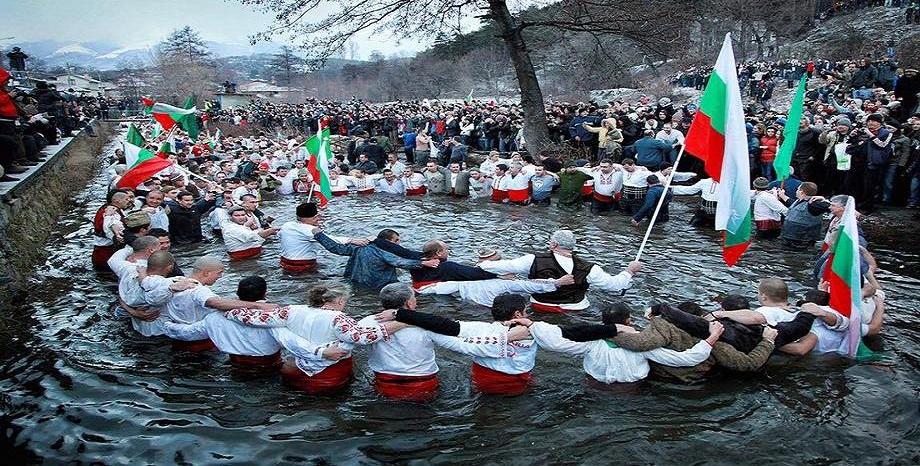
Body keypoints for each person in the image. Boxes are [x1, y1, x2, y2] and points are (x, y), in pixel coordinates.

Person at [355, 283, 524, 401]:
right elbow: (460, 346)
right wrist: (503, 339)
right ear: (409, 303)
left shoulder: (367, 322)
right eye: (414, 297)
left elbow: (348, 342)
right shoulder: (426, 326)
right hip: (422, 388)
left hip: (383, 385)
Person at [226, 285, 406, 394]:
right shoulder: (338, 318)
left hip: (294, 368)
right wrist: (406, 322)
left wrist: (229, 311)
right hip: (328, 374)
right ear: (339, 300)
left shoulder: (290, 310)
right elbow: (363, 337)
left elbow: (253, 318)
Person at [521, 302, 724, 384]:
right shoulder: (643, 344)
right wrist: (712, 336)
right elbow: (685, 359)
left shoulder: (589, 342)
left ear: (602, 323)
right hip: (631, 394)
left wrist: (532, 325)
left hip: (595, 388)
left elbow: (555, 342)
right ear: (628, 321)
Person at [162, 277, 325, 372]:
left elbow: (188, 333)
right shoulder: (275, 318)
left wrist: (166, 324)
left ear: (237, 294)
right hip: (269, 367)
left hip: (236, 367)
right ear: (265, 293)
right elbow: (294, 342)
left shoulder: (215, 318)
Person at [478, 230, 641, 312]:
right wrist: (629, 271)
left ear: (554, 245)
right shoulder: (590, 268)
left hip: (541, 307)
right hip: (576, 309)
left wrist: (484, 264)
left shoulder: (532, 259)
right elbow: (614, 286)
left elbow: (507, 266)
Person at [162, 256, 277, 351]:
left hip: (177, 336)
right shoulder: (199, 290)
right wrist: (257, 305)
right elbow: (213, 302)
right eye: (219, 273)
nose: (220, 276)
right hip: (199, 342)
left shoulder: (174, 282)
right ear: (206, 273)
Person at [312, 228, 439, 290]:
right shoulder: (383, 251)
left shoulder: (359, 246)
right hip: (380, 286)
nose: (398, 243)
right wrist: (423, 263)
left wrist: (319, 235)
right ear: (387, 241)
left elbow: (335, 248)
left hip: (356, 281)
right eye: (396, 240)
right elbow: (399, 262)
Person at [777, 182, 830, 250]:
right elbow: (791, 202)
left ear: (802, 192)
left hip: (802, 241)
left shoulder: (814, 204)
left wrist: (823, 199)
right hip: (790, 238)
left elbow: (830, 207)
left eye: (798, 189)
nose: (796, 191)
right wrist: (782, 195)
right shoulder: (798, 201)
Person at [91, 191, 130, 270]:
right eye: (126, 199)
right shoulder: (112, 211)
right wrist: (117, 233)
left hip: (100, 251)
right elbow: (112, 223)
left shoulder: (105, 208)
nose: (129, 201)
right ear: (117, 201)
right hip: (106, 252)